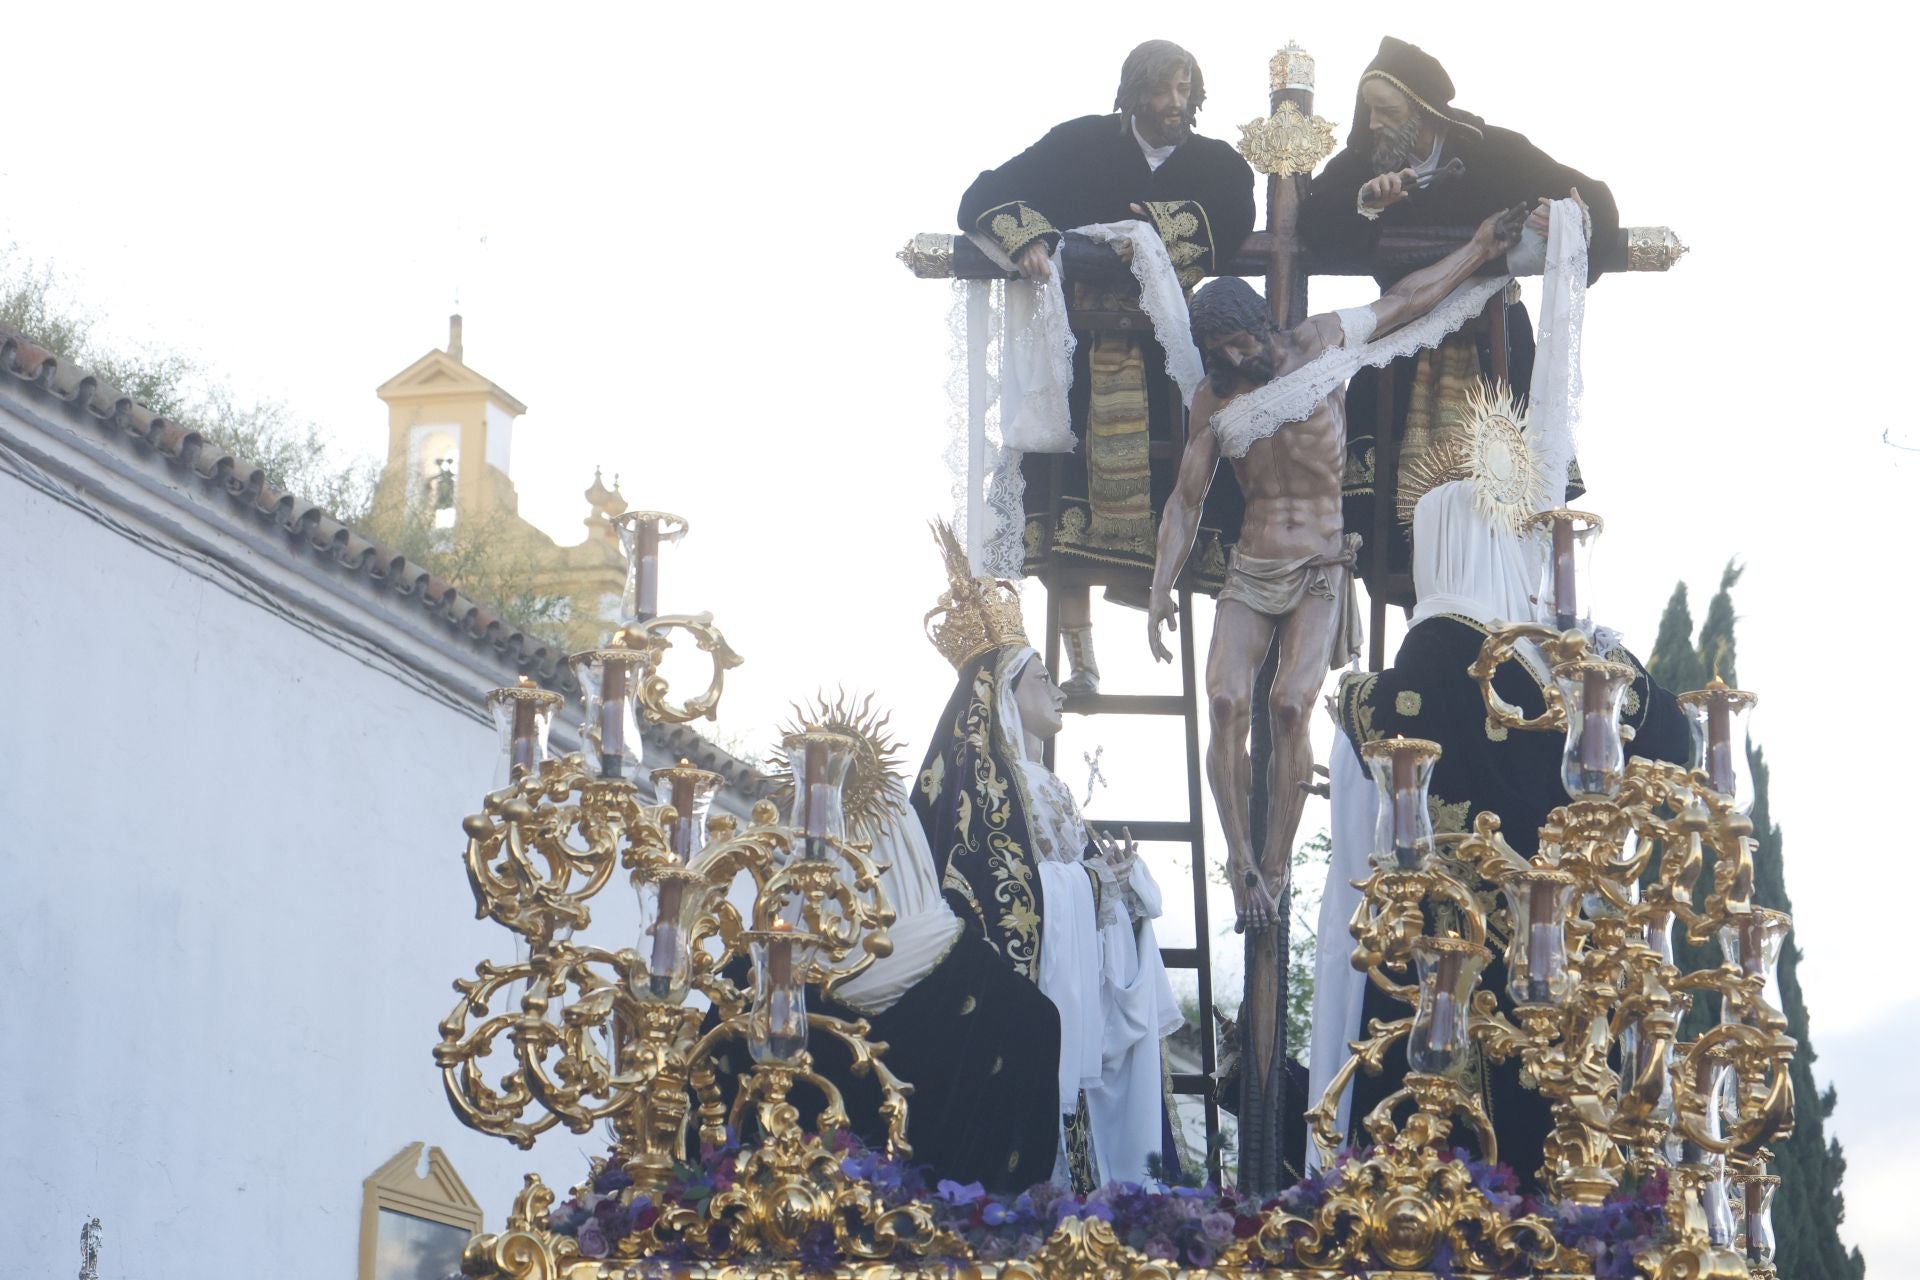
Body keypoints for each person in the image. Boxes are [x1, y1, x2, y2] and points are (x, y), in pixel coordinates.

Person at [1147, 206, 1527, 934]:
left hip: (1322, 562)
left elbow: (1407, 300)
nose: (1232, 361)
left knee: (1291, 704)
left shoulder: (1322, 343)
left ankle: (1280, 864)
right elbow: (1184, 501)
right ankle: (1239, 862)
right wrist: (1161, 586)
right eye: (1218, 353)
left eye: (1239, 344)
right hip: (1253, 563)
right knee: (1225, 700)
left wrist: (1479, 244)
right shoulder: (1215, 397)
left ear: (1263, 324)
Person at [1314, 479, 1692, 1190]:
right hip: (1572, 973)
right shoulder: (1577, 674)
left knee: (1432, 1188)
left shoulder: (1406, 675)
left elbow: (1361, 814)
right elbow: (1679, 746)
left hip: (1441, 971)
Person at [956, 38, 1256, 693]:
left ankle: (1199, 645)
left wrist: (1146, 236)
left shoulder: (1217, 164)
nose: (1173, 105)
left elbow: (1233, 214)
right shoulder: (1078, 144)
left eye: (1184, 91)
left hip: (1169, 358)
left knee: (1191, 485)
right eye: (1161, 90)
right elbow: (985, 194)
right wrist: (1030, 239)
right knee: (1059, 493)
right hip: (1078, 355)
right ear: (1131, 93)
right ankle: (1081, 663)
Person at [1298, 36, 1616, 603]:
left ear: (1423, 111)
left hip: (1492, 346)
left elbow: (1590, 195)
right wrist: (1367, 205)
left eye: (1387, 111)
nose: (1373, 124)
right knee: (1383, 505)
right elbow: (1312, 229)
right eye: (1368, 110)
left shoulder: (1495, 152)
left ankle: (1502, 621)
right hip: (1399, 342)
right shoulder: (1361, 165)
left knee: (1509, 500)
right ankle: (1419, 635)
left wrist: (1563, 215)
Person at [915, 523, 1183, 1189]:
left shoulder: (1052, 789)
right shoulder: (982, 796)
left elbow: (1079, 884)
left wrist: (1122, 885)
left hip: (1076, 1005)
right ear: (1005, 697)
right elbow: (995, 900)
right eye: (1041, 677)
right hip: (1020, 1023)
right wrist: (1087, 887)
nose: (1057, 688)